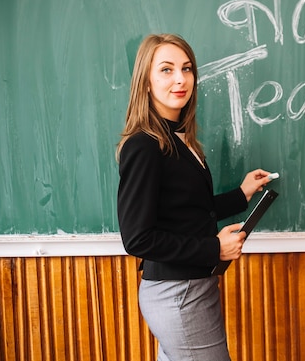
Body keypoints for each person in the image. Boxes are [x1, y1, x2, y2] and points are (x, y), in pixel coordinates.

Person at [116, 33, 273, 361]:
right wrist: (214, 247)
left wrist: (241, 195)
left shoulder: (176, 138)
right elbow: (137, 239)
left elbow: (188, 210)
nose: (180, 79)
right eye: (166, 70)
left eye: (186, 69)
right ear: (145, 82)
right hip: (178, 293)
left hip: (188, 287)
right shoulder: (144, 145)